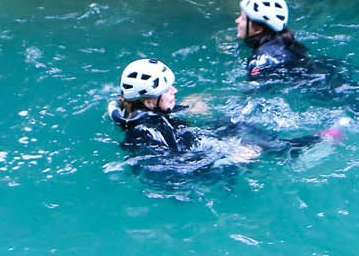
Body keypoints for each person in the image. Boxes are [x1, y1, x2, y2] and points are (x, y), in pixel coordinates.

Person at [107, 57, 339, 174]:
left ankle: (291, 147)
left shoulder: (134, 112)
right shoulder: (147, 131)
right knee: (239, 141)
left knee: (232, 124)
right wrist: (227, 159)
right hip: (196, 174)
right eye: (168, 90)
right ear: (149, 101)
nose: (175, 91)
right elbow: (175, 171)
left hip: (192, 145)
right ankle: (297, 151)